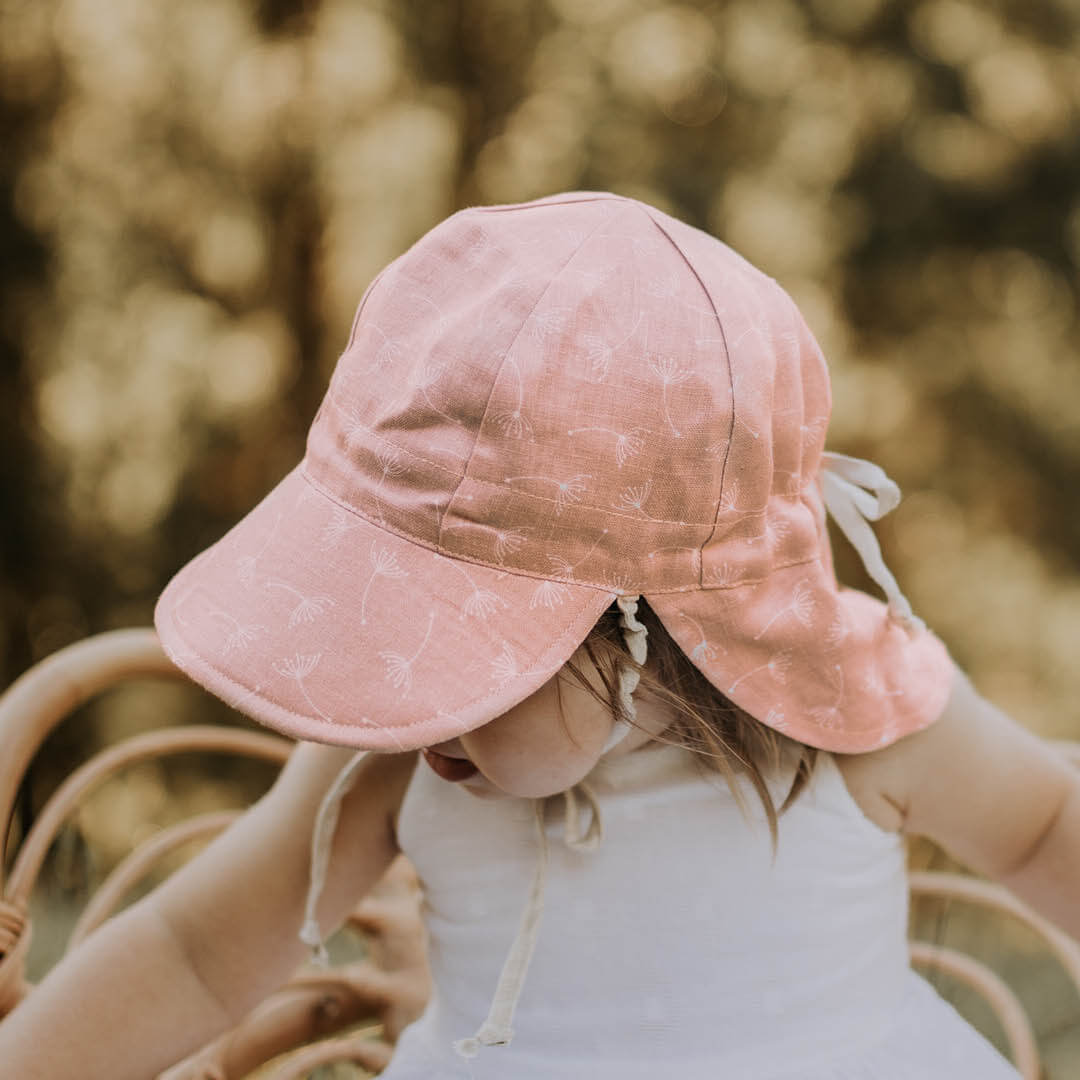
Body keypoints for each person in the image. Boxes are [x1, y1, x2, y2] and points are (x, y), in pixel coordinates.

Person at [1, 191, 1077, 1079]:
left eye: (456, 650)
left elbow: (1041, 830)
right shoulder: (379, 757)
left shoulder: (867, 721)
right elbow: (197, 956)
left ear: (651, 622)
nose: (408, 703)